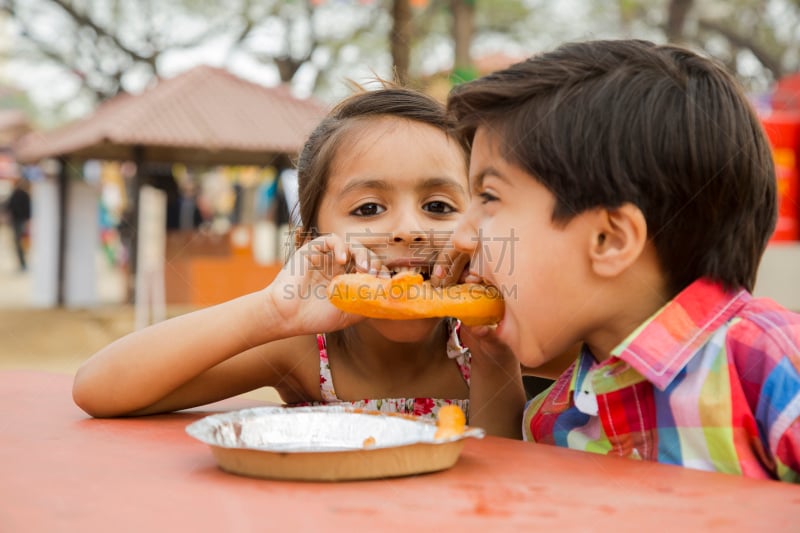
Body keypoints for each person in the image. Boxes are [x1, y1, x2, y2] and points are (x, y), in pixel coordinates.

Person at [72, 86, 526, 438]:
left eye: (440, 206)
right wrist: (270, 312)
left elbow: (499, 468)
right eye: (369, 208)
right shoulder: (304, 350)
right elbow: (99, 388)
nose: (408, 229)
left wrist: (493, 359)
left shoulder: (494, 342)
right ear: (312, 243)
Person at [444, 39, 800, 481]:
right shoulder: (551, 421)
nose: (460, 236)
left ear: (609, 239)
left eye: (490, 197)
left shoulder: (773, 363)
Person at [6, 177, 31, 271]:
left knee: (21, 243)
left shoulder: (22, 195)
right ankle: (22, 263)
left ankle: (23, 263)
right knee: (19, 243)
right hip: (17, 221)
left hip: (21, 221)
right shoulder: (16, 194)